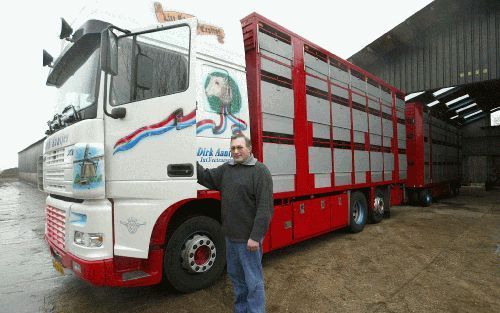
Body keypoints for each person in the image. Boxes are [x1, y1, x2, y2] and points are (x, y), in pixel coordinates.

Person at [197, 133, 274, 313]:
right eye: (233, 148)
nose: (236, 151)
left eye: (240, 147)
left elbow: (265, 209)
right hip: (230, 239)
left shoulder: (260, 171)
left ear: (249, 149)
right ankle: (241, 310)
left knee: (253, 282)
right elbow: (206, 177)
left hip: (248, 241)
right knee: (237, 279)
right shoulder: (227, 169)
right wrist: (189, 162)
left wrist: (255, 237)